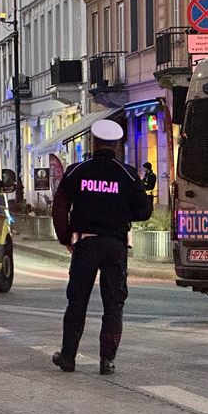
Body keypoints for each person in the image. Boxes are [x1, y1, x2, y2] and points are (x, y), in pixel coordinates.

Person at [51, 120, 153, 375]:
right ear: (117, 145)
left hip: (86, 243)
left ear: (93, 142)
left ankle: (68, 357)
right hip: (115, 245)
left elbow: (60, 207)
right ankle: (107, 360)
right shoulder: (127, 173)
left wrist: (65, 238)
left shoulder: (77, 171)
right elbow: (144, 211)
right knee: (114, 303)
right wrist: (120, 212)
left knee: (77, 301)